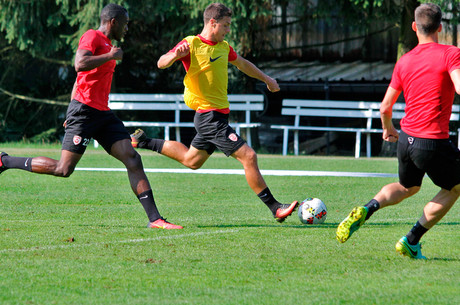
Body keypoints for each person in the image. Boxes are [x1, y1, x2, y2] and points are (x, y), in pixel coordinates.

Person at [0, 3, 182, 230]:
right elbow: (79, 65)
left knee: (132, 158)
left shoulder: (108, 45)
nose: (127, 29)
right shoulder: (92, 36)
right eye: (125, 24)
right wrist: (109, 56)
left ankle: (155, 219)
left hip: (102, 114)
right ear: (113, 22)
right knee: (63, 169)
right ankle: (5, 161)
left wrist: (71, 106)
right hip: (84, 112)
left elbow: (79, 81)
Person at [131, 3, 298, 222]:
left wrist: (266, 79)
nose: (229, 30)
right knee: (249, 156)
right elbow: (161, 62)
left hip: (217, 116)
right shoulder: (192, 43)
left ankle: (143, 142)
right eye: (226, 25)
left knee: (192, 160)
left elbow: (243, 64)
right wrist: (173, 57)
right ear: (213, 22)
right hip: (209, 117)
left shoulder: (224, 47)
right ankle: (275, 207)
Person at [336, 3, 460, 259]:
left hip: (407, 140)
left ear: (414, 27)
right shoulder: (450, 53)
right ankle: (411, 240)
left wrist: (388, 129)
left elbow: (384, 107)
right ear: (440, 27)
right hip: (432, 142)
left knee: (407, 186)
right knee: (455, 187)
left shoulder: (404, 60)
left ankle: (368, 208)